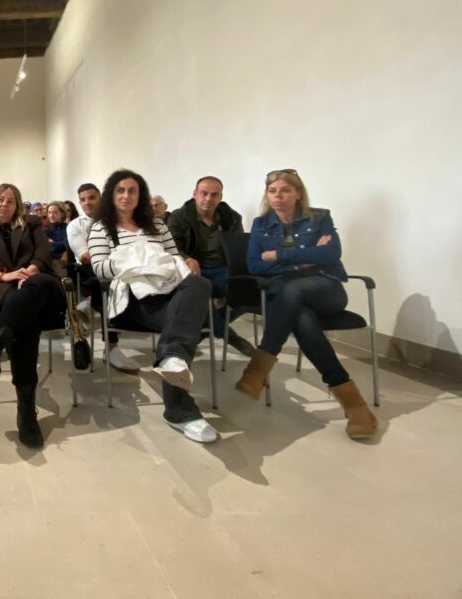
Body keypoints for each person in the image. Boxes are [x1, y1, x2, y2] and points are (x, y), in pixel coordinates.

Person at [236, 169, 377, 439]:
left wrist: (277, 254)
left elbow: (332, 253)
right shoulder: (261, 224)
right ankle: (352, 402)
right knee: (301, 317)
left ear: (298, 193)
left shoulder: (319, 218)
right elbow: (254, 264)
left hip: (326, 289)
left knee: (292, 290)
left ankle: (259, 367)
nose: (278, 196)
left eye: (285, 190)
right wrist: (308, 257)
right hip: (290, 294)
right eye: (272, 190)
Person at [89, 169, 218, 444]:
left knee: (200, 285)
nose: (126, 196)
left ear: (141, 195)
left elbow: (173, 257)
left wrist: (187, 261)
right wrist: (137, 261)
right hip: (133, 299)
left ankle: (173, 371)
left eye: (132, 191)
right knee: (184, 324)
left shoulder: (158, 226)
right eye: (120, 190)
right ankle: (180, 408)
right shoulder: (101, 228)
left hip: (169, 290)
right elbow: (100, 269)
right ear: (112, 195)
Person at [0, 183, 65, 449]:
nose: (4, 205)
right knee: (25, 322)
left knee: (40, 283)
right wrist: (4, 276)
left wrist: (28, 272)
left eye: (10, 201)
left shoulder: (33, 224)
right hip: (2, 293)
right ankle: (26, 411)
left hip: (37, 287)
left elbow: (44, 255)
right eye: (0, 200)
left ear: (18, 205)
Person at [167, 176, 254, 356]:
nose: (208, 199)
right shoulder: (178, 217)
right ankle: (229, 335)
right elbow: (171, 247)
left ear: (220, 197)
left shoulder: (232, 218)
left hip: (223, 268)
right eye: (204, 193)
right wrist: (188, 258)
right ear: (195, 194)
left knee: (248, 291)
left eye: (214, 195)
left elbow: (237, 249)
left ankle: (209, 325)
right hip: (193, 269)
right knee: (199, 291)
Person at [66, 183, 135, 373]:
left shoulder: (117, 221)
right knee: (106, 285)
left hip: (120, 267)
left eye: (91, 197)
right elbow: (85, 255)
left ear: (101, 198)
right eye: (83, 199)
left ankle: (89, 305)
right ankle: (111, 348)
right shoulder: (75, 225)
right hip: (89, 271)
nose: (87, 202)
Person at [44, 201, 71, 273]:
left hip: (64, 264)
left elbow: (67, 245)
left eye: (55, 212)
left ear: (62, 213)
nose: (51, 215)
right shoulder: (45, 231)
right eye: (49, 212)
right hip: (48, 264)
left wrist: (52, 244)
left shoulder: (69, 228)